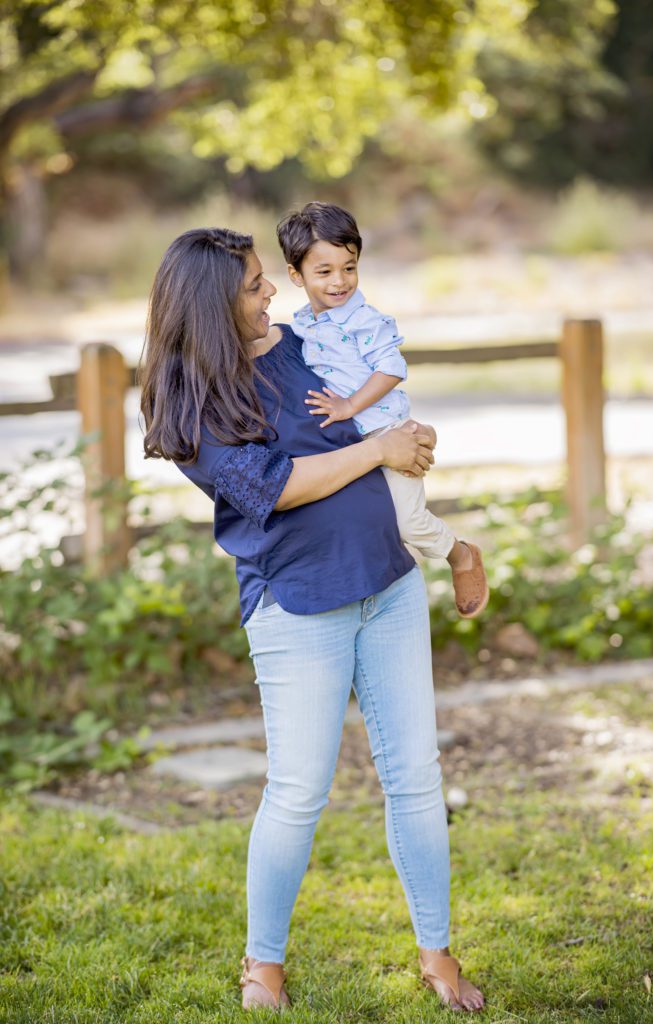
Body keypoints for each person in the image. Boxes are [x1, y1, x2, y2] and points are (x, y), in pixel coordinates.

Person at [140, 227, 485, 1014]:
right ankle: (263, 964)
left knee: (417, 779)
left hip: (389, 582)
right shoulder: (191, 399)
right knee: (298, 791)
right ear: (210, 305)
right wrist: (380, 451)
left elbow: (382, 406)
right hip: (298, 605)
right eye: (257, 285)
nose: (273, 293)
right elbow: (275, 486)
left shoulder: (302, 344)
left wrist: (411, 438)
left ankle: (437, 951)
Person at [277, 201, 489, 618]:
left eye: (349, 267)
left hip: (385, 431)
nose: (340, 281)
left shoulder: (364, 320)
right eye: (324, 272)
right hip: (348, 440)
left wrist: (349, 405)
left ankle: (460, 554)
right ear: (295, 275)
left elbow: (391, 368)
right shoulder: (301, 324)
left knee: (408, 523)